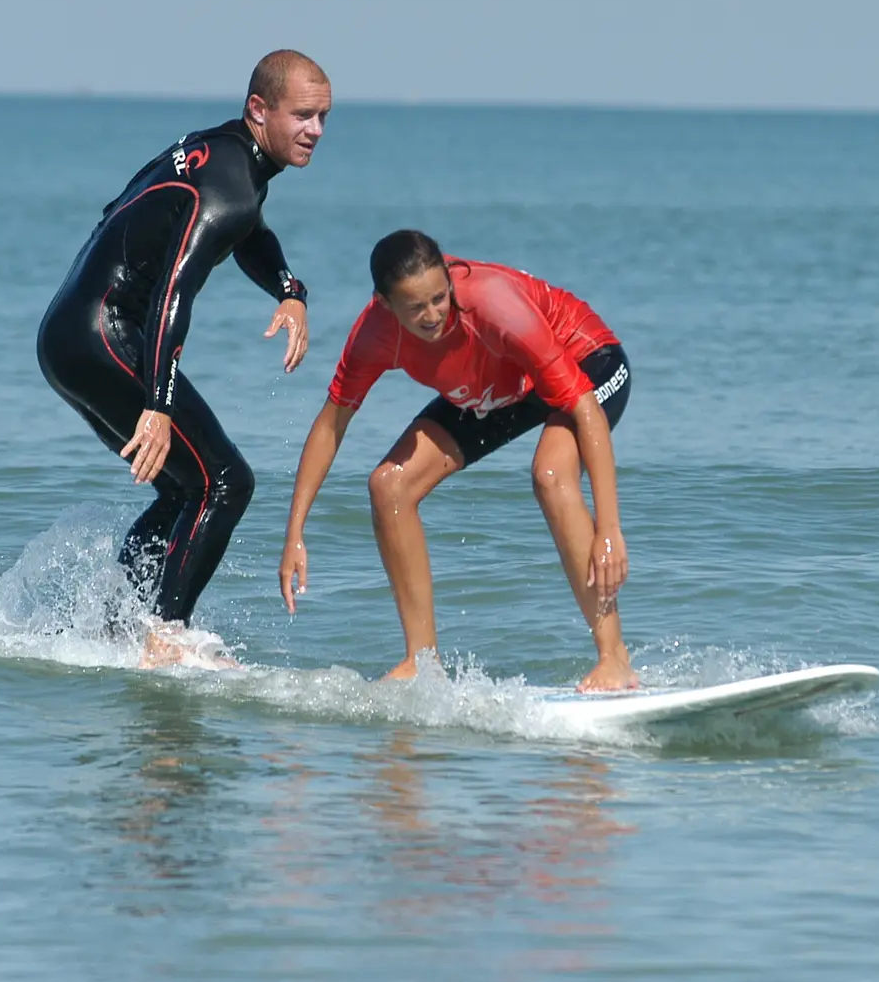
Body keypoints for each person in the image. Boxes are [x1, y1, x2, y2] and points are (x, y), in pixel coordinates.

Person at [36, 50, 330, 667]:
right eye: (303, 115)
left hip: (70, 333)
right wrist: (159, 404)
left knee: (182, 489)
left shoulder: (221, 155)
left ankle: (117, 625)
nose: (315, 132)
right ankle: (166, 632)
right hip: (105, 335)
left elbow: (246, 232)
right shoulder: (232, 185)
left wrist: (289, 290)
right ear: (259, 109)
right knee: (226, 483)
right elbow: (174, 287)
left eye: (323, 117)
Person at [278, 230, 637, 690]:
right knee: (390, 485)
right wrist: (295, 532)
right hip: (497, 385)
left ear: (450, 280)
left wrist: (609, 530)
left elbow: (584, 406)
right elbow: (331, 426)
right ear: (385, 306)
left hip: (587, 362)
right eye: (416, 307)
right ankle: (421, 665)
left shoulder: (494, 304)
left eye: (439, 298)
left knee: (551, 474)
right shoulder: (374, 336)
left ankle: (615, 658)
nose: (433, 316)